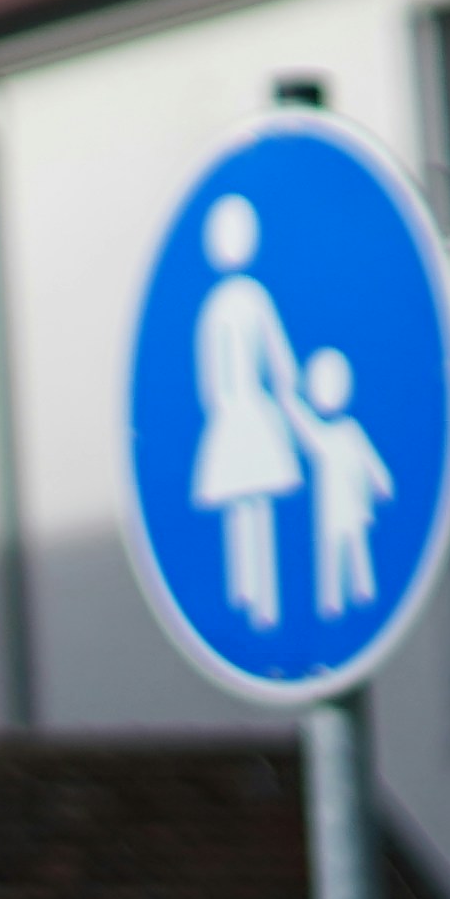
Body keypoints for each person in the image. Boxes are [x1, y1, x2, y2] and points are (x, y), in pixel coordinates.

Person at [186, 194, 306, 633]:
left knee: (242, 502)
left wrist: (219, 408)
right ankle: (261, 602)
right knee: (255, 504)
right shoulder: (251, 299)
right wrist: (289, 389)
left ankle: (248, 594)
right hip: (250, 411)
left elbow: (206, 376)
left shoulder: (214, 307)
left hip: (231, 415)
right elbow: (280, 358)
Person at [300, 340, 396, 622]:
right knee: (331, 555)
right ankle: (331, 603)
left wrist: (381, 483)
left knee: (355, 550)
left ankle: (362, 592)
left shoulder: (349, 432)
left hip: (351, 506)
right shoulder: (324, 435)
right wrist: (288, 401)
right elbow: (304, 428)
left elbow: (370, 461)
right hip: (332, 511)